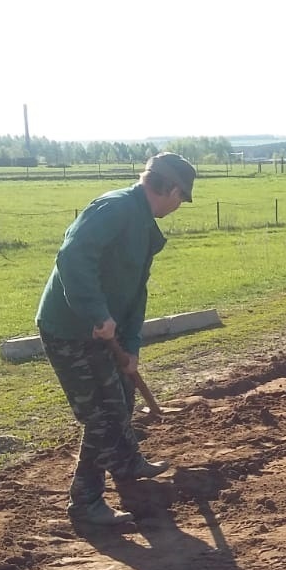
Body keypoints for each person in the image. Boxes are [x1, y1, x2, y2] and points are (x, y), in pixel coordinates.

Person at [35, 152, 195, 526]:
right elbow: (72, 257)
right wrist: (97, 312)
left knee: (122, 396)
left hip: (107, 330)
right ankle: (85, 504)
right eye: (182, 198)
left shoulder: (144, 225)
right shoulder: (115, 208)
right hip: (70, 330)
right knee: (102, 416)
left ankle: (127, 464)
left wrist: (132, 345)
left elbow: (136, 293)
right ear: (171, 190)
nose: (179, 206)